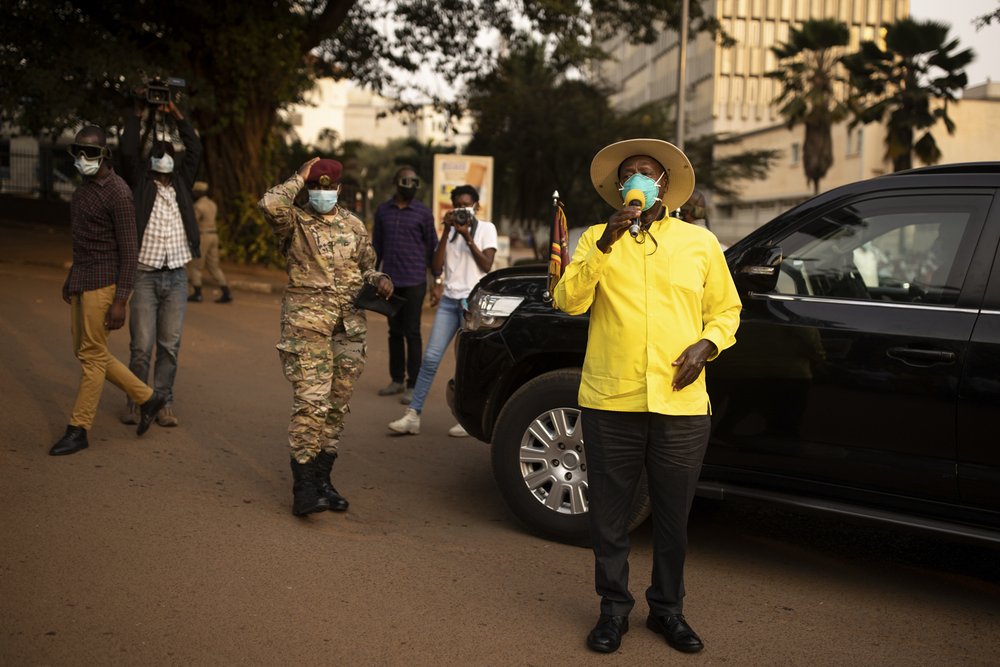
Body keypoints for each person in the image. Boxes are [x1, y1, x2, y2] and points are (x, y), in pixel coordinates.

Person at [553, 139, 741, 655]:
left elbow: (727, 311)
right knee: (610, 514)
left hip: (680, 404)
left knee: (673, 515)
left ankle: (667, 610)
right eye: (629, 173)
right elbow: (568, 302)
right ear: (619, 189)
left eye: (648, 172)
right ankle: (612, 610)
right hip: (611, 399)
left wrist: (708, 344)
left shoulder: (699, 244)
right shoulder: (595, 237)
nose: (638, 179)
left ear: (664, 185)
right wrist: (607, 245)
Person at [258, 157, 393, 516]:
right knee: (310, 403)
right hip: (307, 327)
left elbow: (367, 266)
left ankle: (322, 479)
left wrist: (380, 280)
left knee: (336, 407)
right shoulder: (295, 221)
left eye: (325, 188)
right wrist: (299, 177)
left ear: (338, 189)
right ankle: (303, 487)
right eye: (314, 187)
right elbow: (270, 204)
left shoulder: (353, 225)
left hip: (348, 328)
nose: (320, 193)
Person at [50, 126, 168, 456]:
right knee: (89, 352)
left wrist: (121, 300)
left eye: (91, 152)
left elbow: (130, 251)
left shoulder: (118, 193)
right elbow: (84, 243)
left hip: (104, 285)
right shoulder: (84, 189)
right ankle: (149, 397)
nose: (84, 158)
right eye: (79, 151)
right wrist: (71, 278)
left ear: (104, 155)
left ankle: (79, 428)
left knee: (91, 357)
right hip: (83, 280)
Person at [118, 93, 201, 429]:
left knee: (170, 346)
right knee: (141, 346)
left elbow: (195, 149)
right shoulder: (140, 182)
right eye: (157, 154)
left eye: (168, 154)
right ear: (150, 160)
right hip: (145, 276)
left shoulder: (182, 183)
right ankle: (136, 400)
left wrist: (177, 115)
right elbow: (126, 150)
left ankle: (164, 402)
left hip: (177, 276)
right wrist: (138, 115)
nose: (163, 157)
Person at [387, 185, 497, 438]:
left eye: (467, 205)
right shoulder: (448, 231)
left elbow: (487, 265)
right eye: (457, 206)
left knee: (467, 364)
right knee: (431, 359)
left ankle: (468, 420)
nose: (462, 210)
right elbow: (436, 265)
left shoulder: (487, 229)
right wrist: (447, 231)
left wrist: (468, 236)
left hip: (472, 304)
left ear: (476, 206)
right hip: (449, 301)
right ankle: (413, 415)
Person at [371, 166, 437, 405]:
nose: (410, 185)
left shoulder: (423, 213)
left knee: (413, 332)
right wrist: (373, 276)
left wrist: (436, 281)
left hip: (415, 282)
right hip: (389, 283)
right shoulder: (383, 211)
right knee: (394, 332)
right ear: (396, 182)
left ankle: (413, 385)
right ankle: (397, 380)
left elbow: (432, 249)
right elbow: (376, 246)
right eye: (406, 181)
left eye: (414, 181)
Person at [187, 181, 232, 303]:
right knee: (214, 266)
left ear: (198, 192)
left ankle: (197, 293)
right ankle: (226, 291)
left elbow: (192, 222)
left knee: (195, 265)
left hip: (204, 236)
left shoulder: (198, 206)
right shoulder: (212, 204)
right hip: (214, 235)